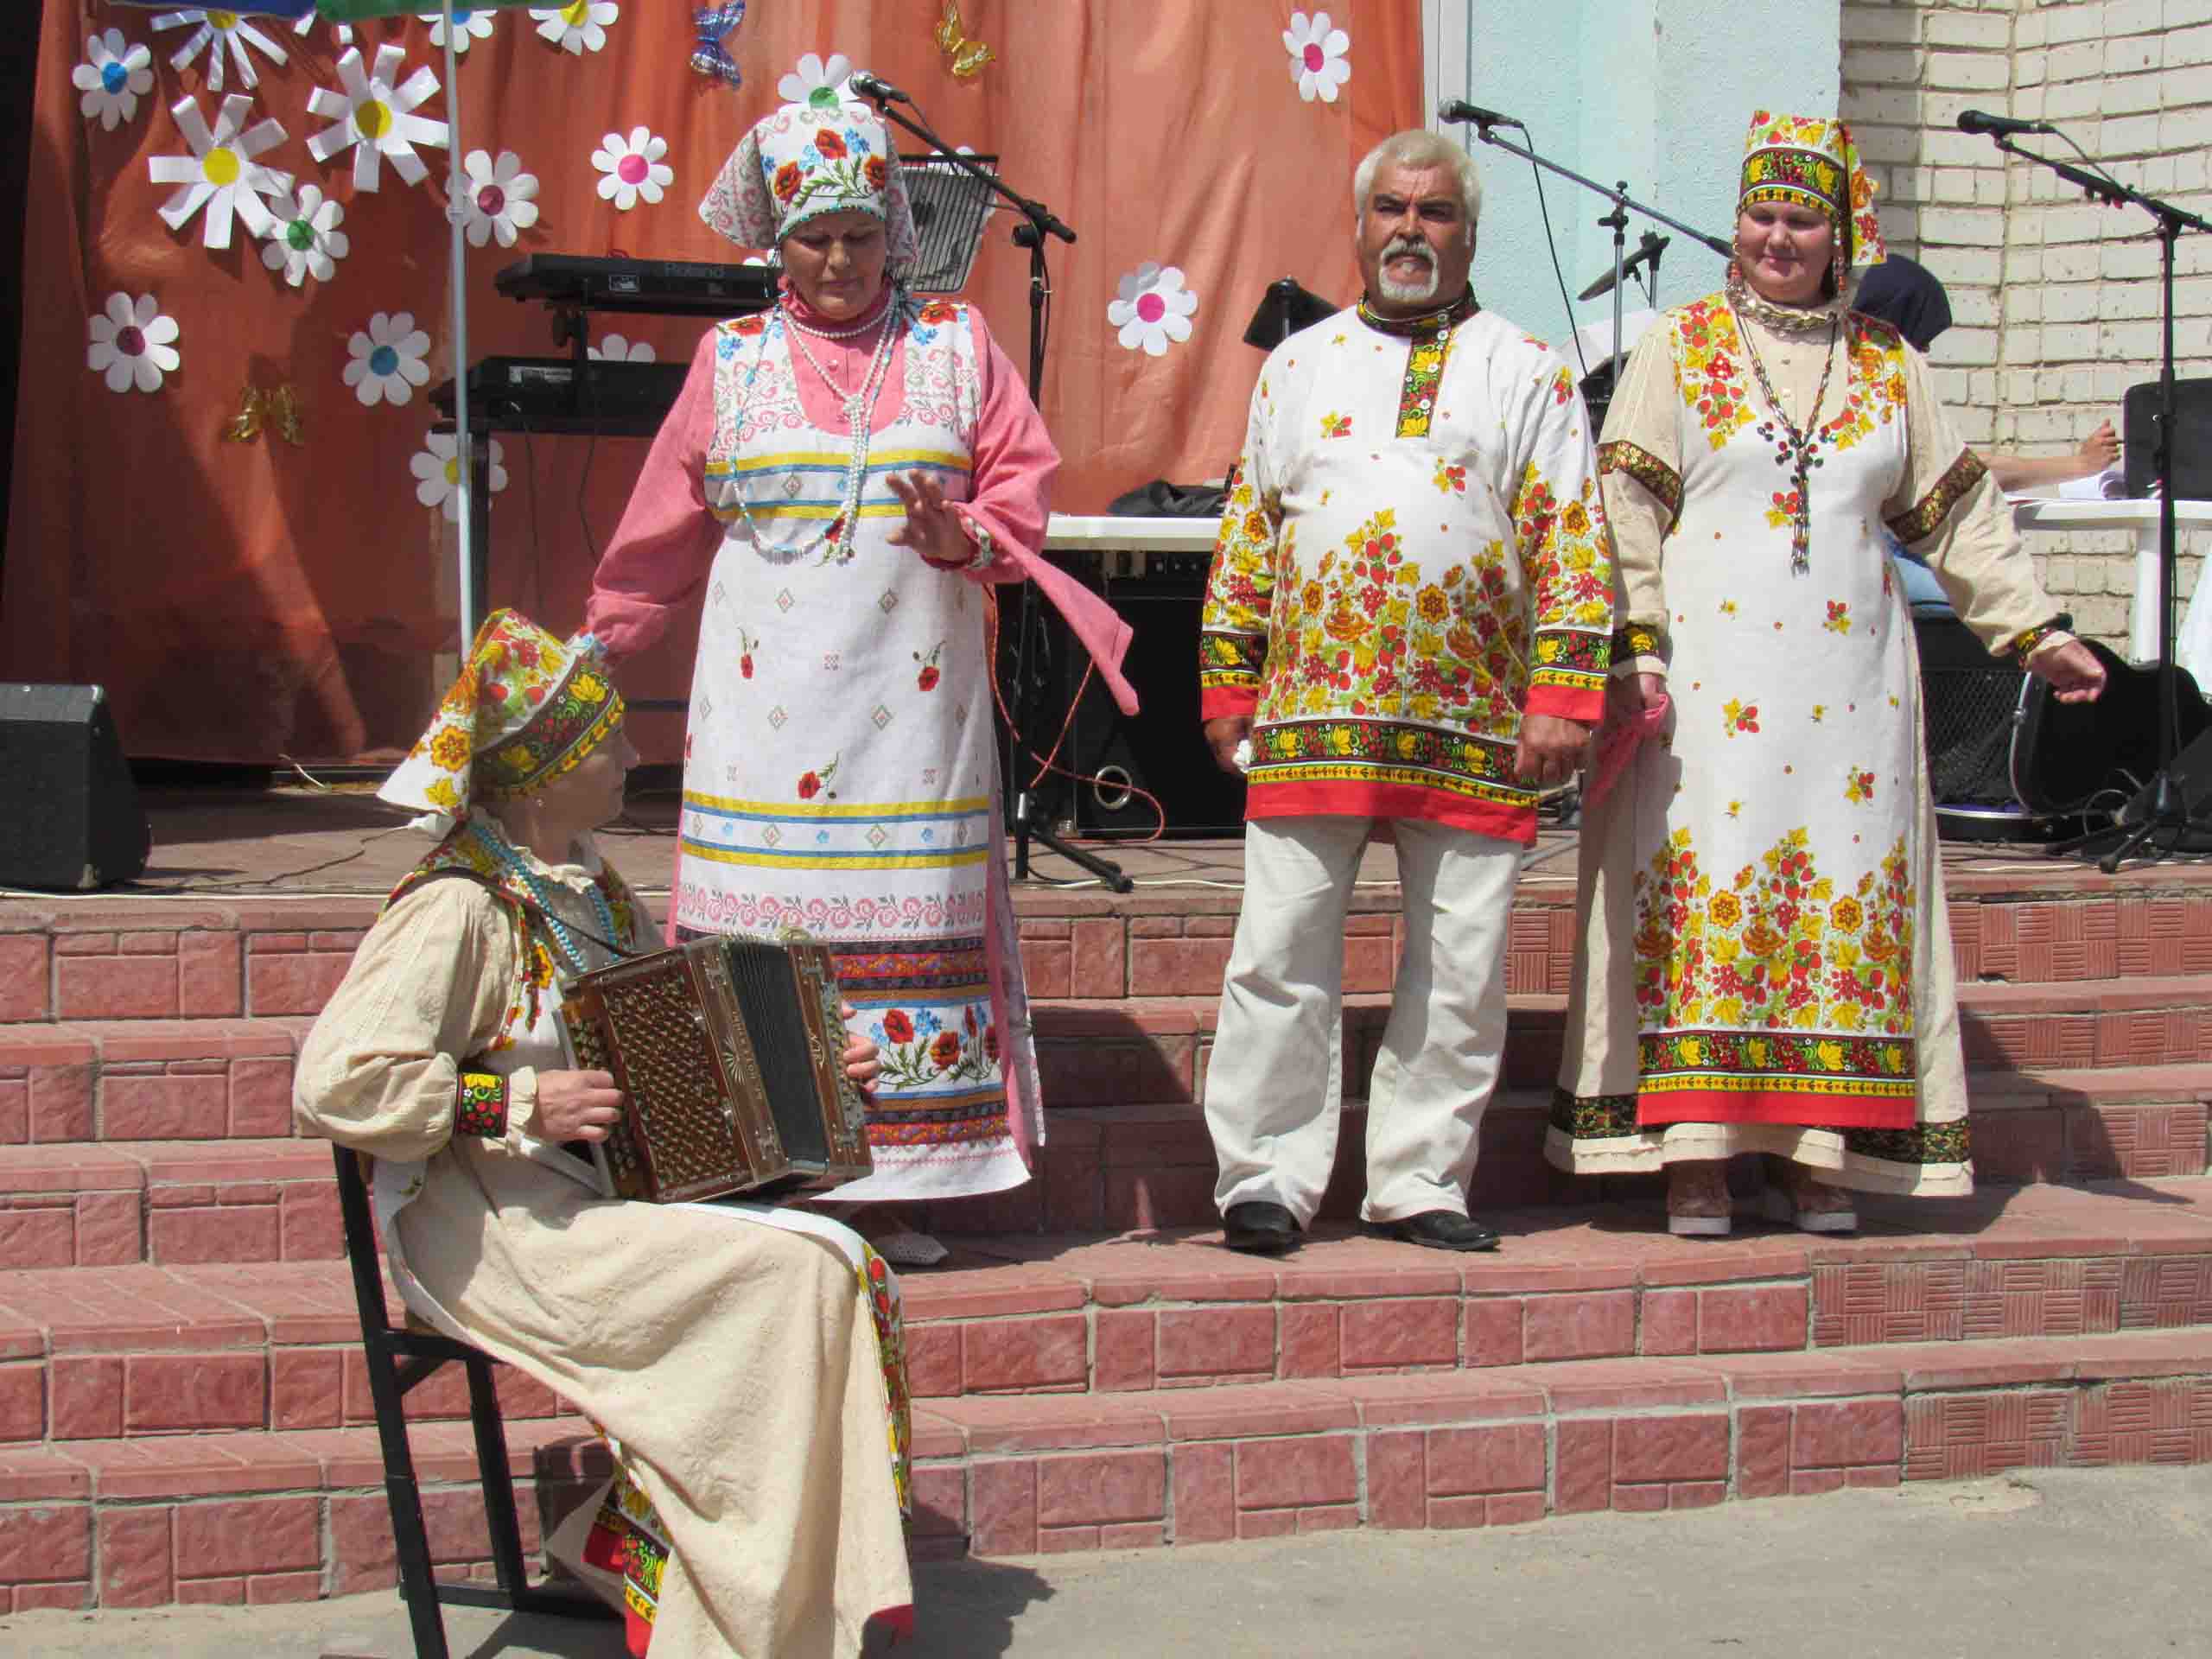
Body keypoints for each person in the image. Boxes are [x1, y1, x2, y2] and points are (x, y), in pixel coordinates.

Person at [296, 611, 913, 1658]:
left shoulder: (594, 893)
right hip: (489, 1225)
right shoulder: (459, 907)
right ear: (544, 776)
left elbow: (669, 1070)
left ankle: (686, 1561)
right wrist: (514, 1104)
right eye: (609, 743)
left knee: (835, 1259)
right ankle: (711, 1592)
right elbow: (335, 1082)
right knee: (794, 1282)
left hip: (590, 1202)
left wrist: (817, 1084)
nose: (633, 753)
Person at [582, 99, 1135, 1265]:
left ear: (895, 231)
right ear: (774, 245)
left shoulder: (955, 346)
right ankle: (773, 1176)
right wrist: (602, 641)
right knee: (760, 934)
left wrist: (959, 536)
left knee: (913, 920)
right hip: (761, 709)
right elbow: (662, 528)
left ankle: (893, 1189)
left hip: (911, 710)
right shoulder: (728, 361)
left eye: (857, 235)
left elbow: (1018, 497)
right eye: (809, 239)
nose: (836, 260)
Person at [1548, 112, 2106, 1236]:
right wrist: (1637, 642)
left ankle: (1820, 1152)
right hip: (1708, 687)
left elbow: (1956, 510)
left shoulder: (1889, 365)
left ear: (1839, 235)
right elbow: (1624, 503)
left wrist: (2033, 628)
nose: (1777, 237)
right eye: (1761, 214)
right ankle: (1695, 1155)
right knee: (1708, 894)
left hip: (1852, 692)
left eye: (1801, 218)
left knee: (1840, 907)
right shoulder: (1681, 345)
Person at [1197, 129, 1614, 1255]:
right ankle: (1265, 1181)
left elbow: (1575, 541)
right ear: (1359, 225)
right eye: (1391, 210)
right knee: (1278, 953)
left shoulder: (1525, 368)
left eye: (1434, 214)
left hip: (1475, 721)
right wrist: (1229, 681)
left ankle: (1421, 1180)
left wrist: (1563, 697)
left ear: (1469, 233)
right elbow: (1250, 536)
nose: (1410, 233)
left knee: (1463, 963)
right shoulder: (1299, 363)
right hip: (1310, 712)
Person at [1854, 252, 2119, 494]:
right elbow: (1957, 473)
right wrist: (2080, 465)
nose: (1924, 352)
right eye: (1921, 340)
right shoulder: (1863, 400)